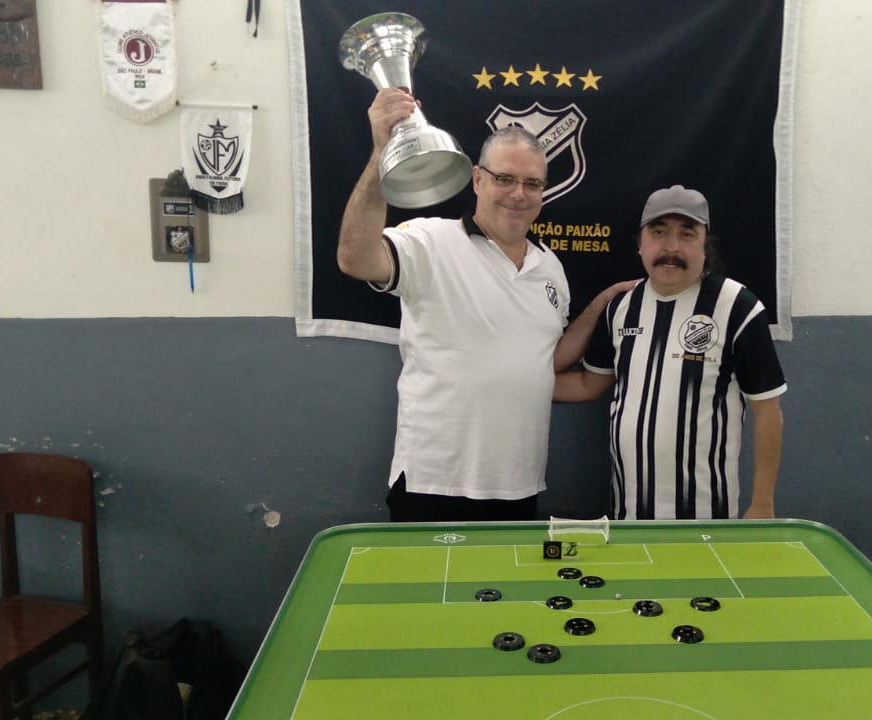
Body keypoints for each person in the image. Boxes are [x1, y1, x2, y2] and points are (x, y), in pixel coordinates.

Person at [337, 87, 627, 522]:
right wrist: (382, 153)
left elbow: (543, 361)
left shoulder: (551, 268)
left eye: (532, 183)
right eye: (504, 179)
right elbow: (355, 259)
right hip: (433, 483)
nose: (518, 193)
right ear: (477, 180)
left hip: (518, 485)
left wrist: (601, 303)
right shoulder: (430, 241)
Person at [555, 185, 787, 520]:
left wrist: (762, 504)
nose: (672, 247)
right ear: (640, 244)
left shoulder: (738, 307)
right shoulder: (620, 308)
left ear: (705, 247)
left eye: (687, 234)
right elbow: (589, 384)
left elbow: (767, 411)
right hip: (627, 515)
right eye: (659, 232)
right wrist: (512, 388)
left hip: (707, 518)